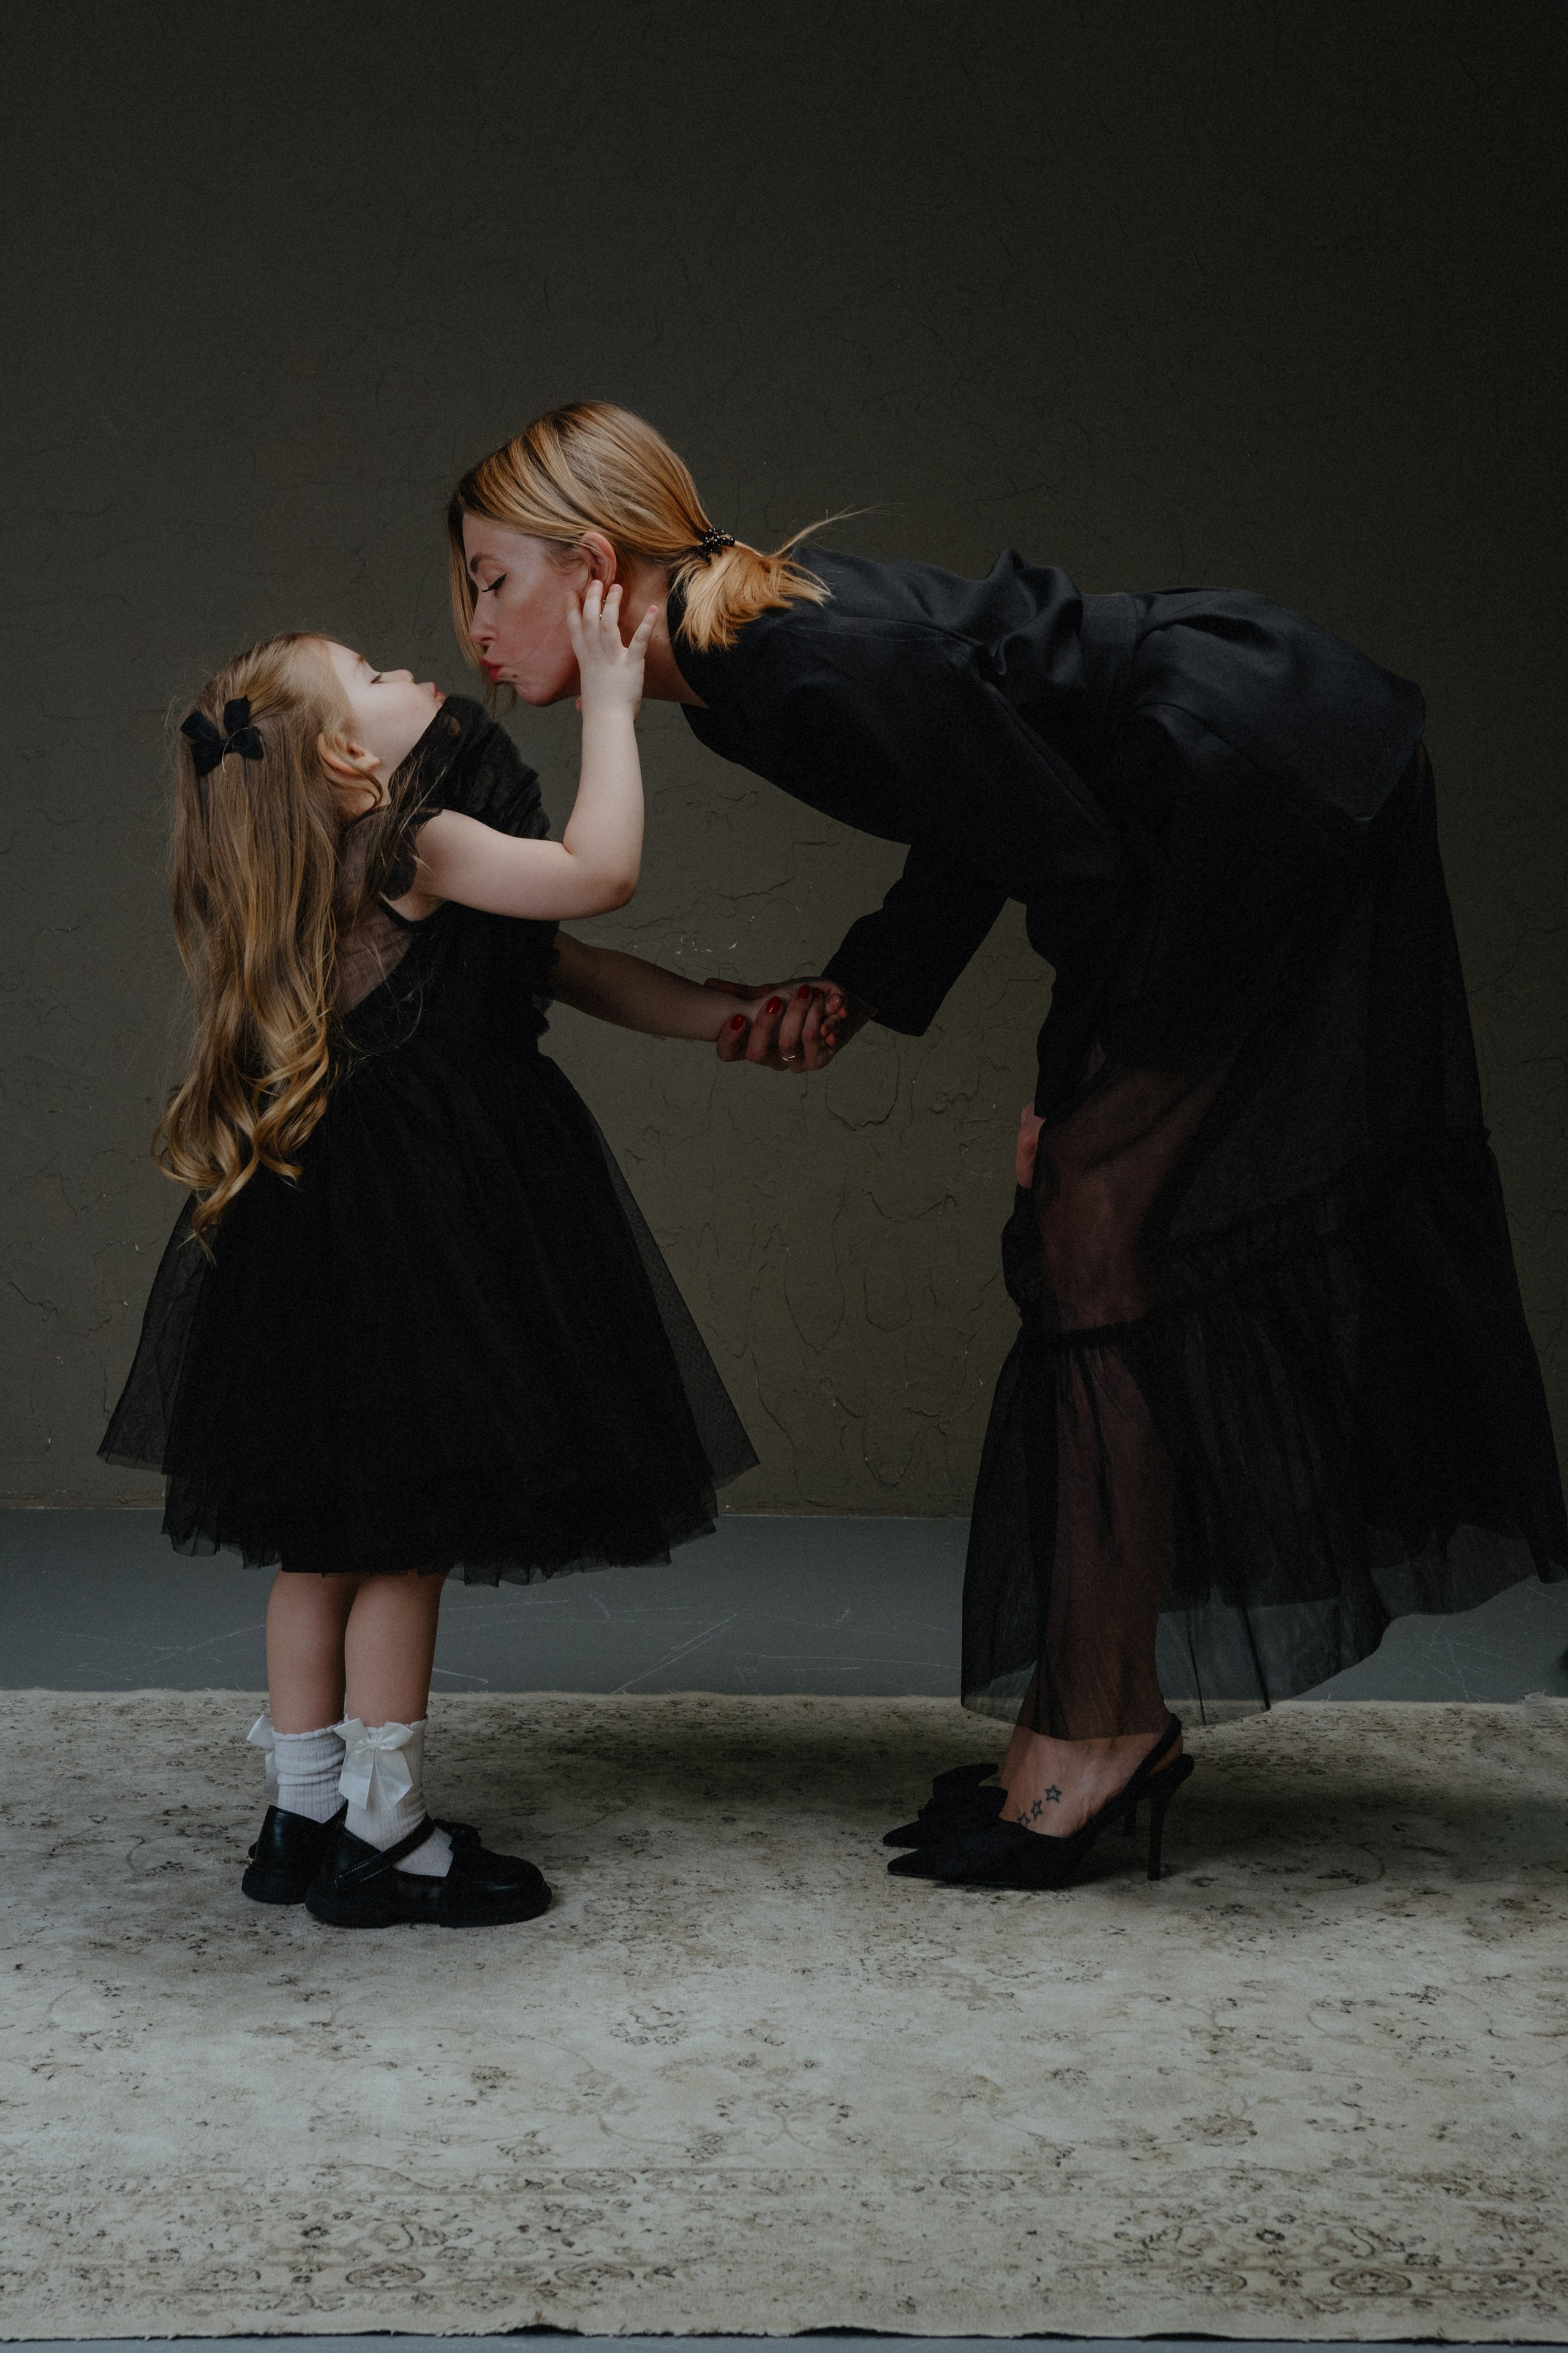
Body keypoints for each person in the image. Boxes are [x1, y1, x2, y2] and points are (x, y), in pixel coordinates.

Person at [445, 400, 1568, 1892]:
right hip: (1209, 785)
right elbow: (984, 810)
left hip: (1252, 774)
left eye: (489, 580)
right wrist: (864, 985)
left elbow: (1071, 854)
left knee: (1086, 1226)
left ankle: (1100, 1730)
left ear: (595, 567)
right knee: (1087, 1235)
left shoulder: (784, 663)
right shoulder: (737, 672)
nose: (470, 625)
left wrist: (1063, 1084)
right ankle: (1094, 1713)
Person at [102, 587, 782, 1928]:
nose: (410, 667)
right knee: (405, 1542)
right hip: (424, 1229)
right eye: (369, 671)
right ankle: (386, 1833)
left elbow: (565, 962)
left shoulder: (320, 874)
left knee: (317, 1547)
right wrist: (607, 699)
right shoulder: (419, 842)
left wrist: (717, 1016)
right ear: (348, 759)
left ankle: (300, 1813)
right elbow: (597, 873)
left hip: (311, 1228)